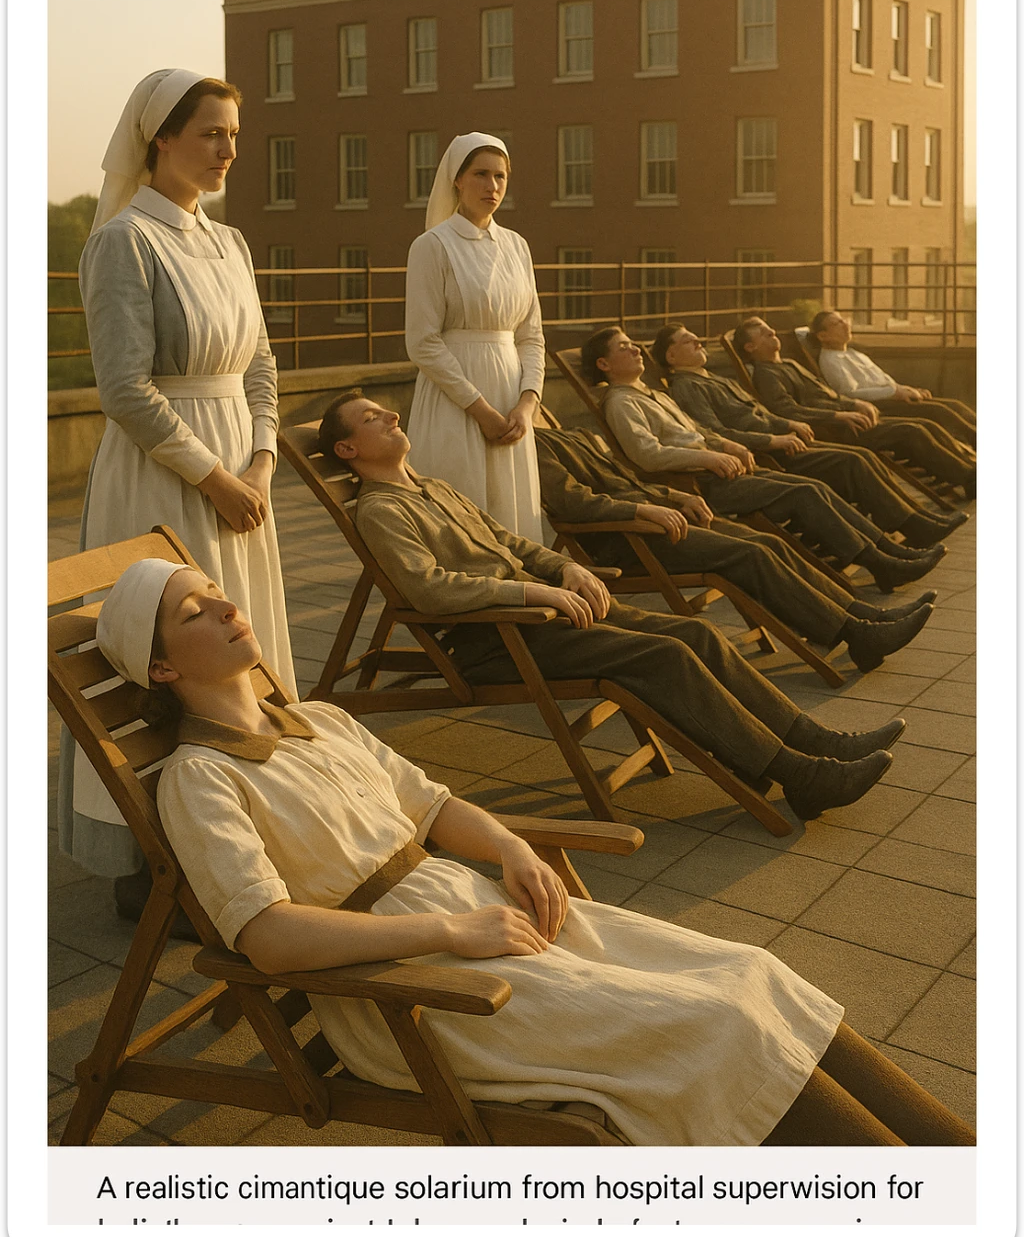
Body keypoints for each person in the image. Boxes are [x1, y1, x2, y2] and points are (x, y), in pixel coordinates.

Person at [94, 556, 975, 1147]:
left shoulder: (320, 720)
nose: (226, 606)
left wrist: (512, 846)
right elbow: (269, 939)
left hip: (487, 920)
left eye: (218, 591)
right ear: (162, 669)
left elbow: (435, 806)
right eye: (193, 612)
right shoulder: (200, 779)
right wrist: (449, 933)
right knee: (719, 1029)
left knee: (751, 974)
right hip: (417, 990)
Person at [321, 389, 916, 823]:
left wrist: (566, 568)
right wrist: (534, 591)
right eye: (373, 418)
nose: (392, 416)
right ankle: (800, 775)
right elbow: (429, 588)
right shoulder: (381, 510)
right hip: (501, 635)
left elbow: (511, 543)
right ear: (348, 448)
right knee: (666, 658)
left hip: (548, 614)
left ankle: (816, 742)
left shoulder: (434, 488)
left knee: (697, 635)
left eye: (386, 410)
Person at [60, 68, 296, 905]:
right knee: (169, 657)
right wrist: (215, 476)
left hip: (239, 469)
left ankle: (249, 829)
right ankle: (158, 859)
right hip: (164, 477)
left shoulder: (230, 243)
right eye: (210, 133)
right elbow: (124, 390)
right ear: (160, 139)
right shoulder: (123, 240)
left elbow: (260, 364)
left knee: (236, 644)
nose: (227, 149)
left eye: (234, 134)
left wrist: (260, 460)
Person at [533, 417, 935, 673]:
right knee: (753, 554)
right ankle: (856, 634)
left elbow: (628, 479)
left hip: (658, 518)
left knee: (767, 542)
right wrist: (643, 509)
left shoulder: (572, 432)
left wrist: (673, 496)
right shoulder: (535, 444)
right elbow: (573, 502)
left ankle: (862, 617)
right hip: (630, 538)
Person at [582, 327, 948, 594]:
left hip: (722, 467)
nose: (636, 349)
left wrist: (726, 444)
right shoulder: (621, 402)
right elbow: (647, 455)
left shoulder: (652, 394)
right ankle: (881, 561)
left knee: (814, 486)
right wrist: (710, 454)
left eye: (634, 344)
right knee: (806, 492)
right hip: (699, 481)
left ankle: (885, 554)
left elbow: (700, 429)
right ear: (604, 364)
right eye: (624, 347)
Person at [651, 323, 968, 547]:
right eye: (688, 341)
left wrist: (787, 425)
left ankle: (909, 524)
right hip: (770, 452)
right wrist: (776, 438)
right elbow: (715, 432)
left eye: (697, 338)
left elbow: (766, 414)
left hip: (786, 440)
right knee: (857, 460)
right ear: (671, 357)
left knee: (862, 457)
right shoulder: (687, 386)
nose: (698, 342)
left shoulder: (716, 379)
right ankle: (906, 528)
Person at [404, 132, 545, 541]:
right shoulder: (432, 246)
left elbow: (531, 335)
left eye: (500, 176)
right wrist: (480, 410)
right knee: (463, 514)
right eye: (481, 174)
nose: (492, 186)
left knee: (511, 515)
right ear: (457, 179)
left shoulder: (517, 247)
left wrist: (527, 404)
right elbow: (423, 342)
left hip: (511, 402)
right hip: (457, 403)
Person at [734, 317, 976, 497]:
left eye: (770, 328)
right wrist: (838, 415)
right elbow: (787, 410)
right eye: (763, 333)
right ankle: (968, 478)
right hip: (834, 428)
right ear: (750, 348)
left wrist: (854, 403)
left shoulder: (789, 363)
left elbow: (826, 392)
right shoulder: (766, 375)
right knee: (912, 430)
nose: (772, 332)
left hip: (849, 416)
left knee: (923, 424)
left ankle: (969, 471)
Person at [808, 310, 977, 448]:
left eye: (843, 320)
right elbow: (849, 393)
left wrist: (907, 389)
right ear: (823, 336)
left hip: (892, 397)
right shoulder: (830, 361)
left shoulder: (854, 354)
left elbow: (883, 380)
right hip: (879, 405)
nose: (846, 324)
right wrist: (894, 392)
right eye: (837, 324)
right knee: (939, 411)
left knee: (955, 405)